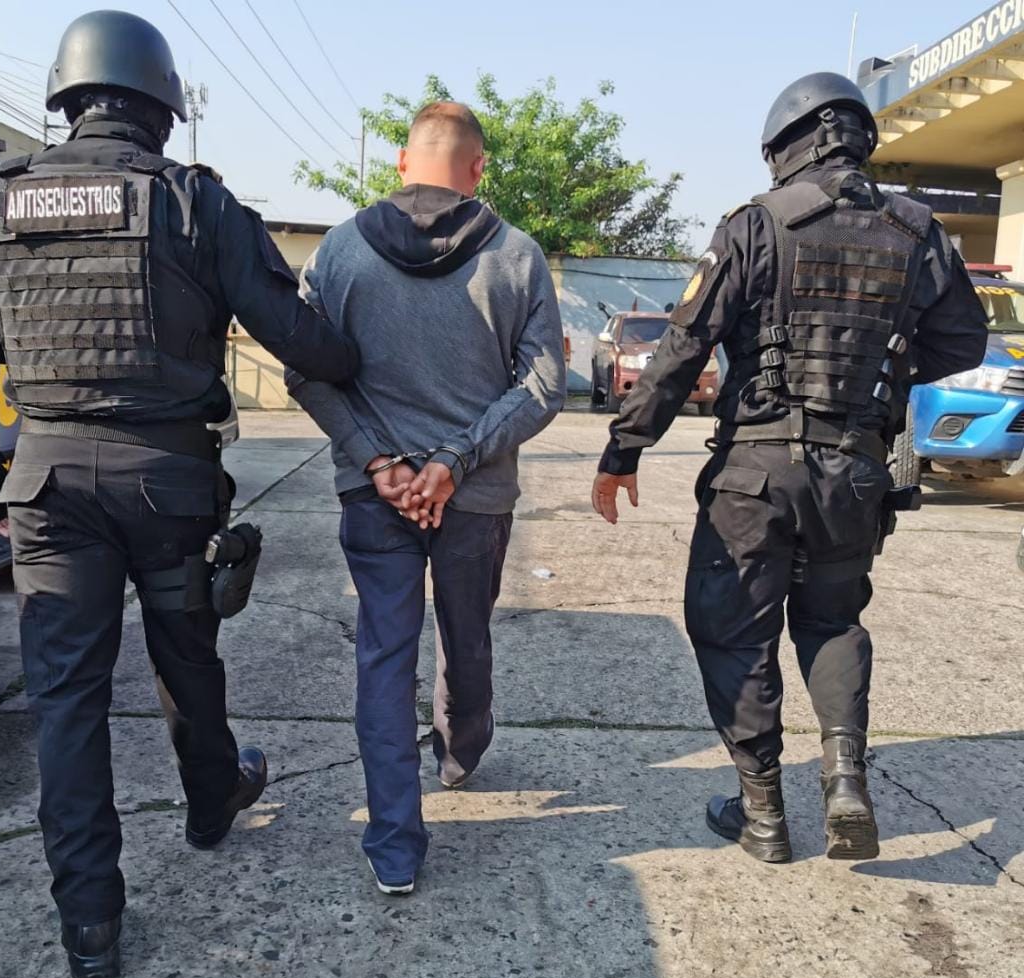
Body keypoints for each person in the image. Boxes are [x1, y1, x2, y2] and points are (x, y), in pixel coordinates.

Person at [0, 10, 359, 978]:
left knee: (67, 701)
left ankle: (91, 923)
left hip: (47, 489)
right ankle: (210, 804)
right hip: (169, 482)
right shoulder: (193, 202)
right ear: (162, 105)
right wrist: (361, 349)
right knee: (185, 655)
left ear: (68, 98)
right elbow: (300, 339)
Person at [592, 73, 987, 865]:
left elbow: (685, 345)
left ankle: (763, 812)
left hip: (755, 473)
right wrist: (883, 369)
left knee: (732, 631)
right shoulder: (920, 231)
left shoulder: (756, 223)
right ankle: (845, 779)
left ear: (786, 146)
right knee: (832, 621)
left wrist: (625, 448)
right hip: (856, 473)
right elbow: (964, 342)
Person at [288, 102, 566, 895]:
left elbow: (305, 369)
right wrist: (454, 460)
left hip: (373, 493)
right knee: (465, 633)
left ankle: (394, 846)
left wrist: (378, 460)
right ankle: (459, 751)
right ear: (478, 169)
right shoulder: (517, 255)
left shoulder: (340, 251)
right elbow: (544, 385)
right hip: (476, 495)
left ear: (403, 164)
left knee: (384, 653)